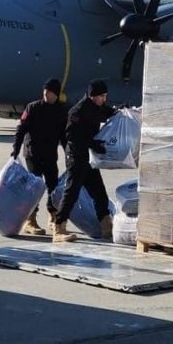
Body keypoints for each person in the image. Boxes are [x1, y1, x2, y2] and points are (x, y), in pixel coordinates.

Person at [51, 79, 116, 243]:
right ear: (93, 96)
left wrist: (124, 113)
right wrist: (93, 143)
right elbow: (71, 136)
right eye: (102, 96)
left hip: (88, 157)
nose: (104, 99)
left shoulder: (97, 107)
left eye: (105, 96)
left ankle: (107, 227)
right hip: (76, 156)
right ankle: (59, 227)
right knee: (72, 191)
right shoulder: (77, 111)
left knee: (100, 193)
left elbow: (111, 113)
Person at [11, 78, 67, 235]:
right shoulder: (33, 107)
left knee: (53, 187)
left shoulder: (61, 111)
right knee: (34, 188)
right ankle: (30, 220)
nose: (45, 94)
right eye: (44, 91)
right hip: (32, 154)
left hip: (50, 155)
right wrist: (15, 149)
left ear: (55, 94)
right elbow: (21, 129)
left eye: (49, 92)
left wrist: (69, 153)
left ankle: (53, 217)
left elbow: (64, 136)